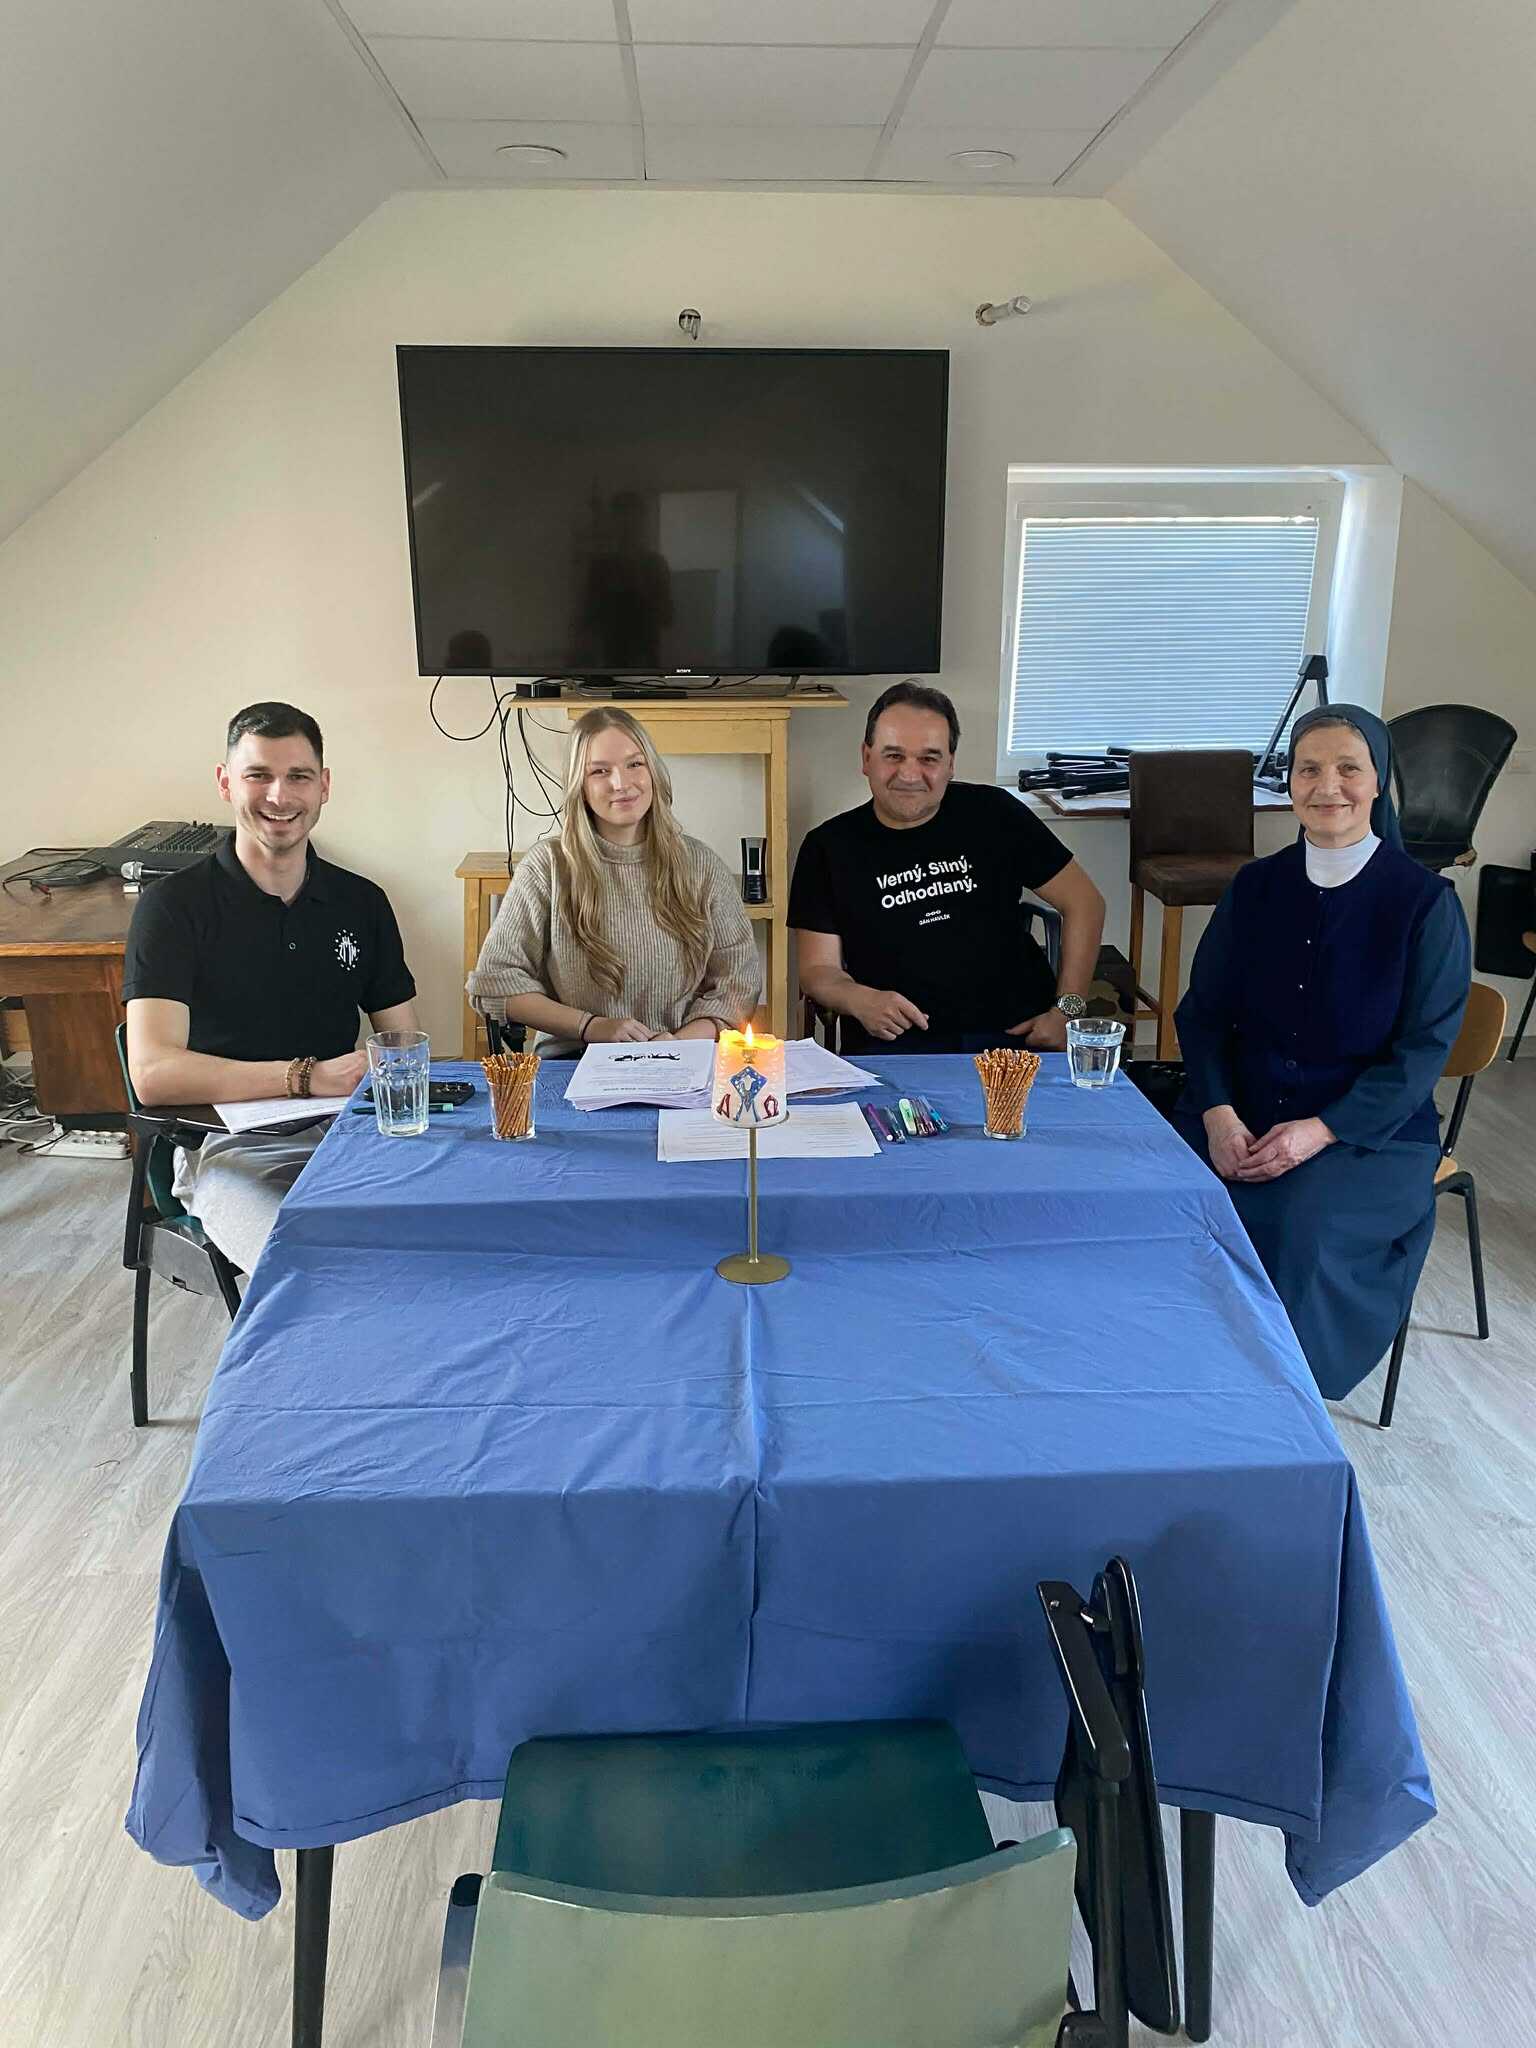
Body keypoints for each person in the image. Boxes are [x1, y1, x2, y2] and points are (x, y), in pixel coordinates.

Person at [1174, 704, 1470, 1401]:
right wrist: (1218, 1115)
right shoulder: (1255, 887)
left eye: (1347, 769)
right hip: (1240, 1111)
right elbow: (1204, 1015)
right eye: (1308, 769)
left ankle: (1278, 1404)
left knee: (1297, 1224)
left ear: (1378, 782)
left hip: (1368, 1133)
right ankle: (1173, 1381)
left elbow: (1422, 1051)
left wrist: (1321, 1130)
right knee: (1163, 1200)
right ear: (1290, 783)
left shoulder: (1425, 904)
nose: (1326, 786)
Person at [123, 703, 419, 1274]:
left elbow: (403, 1044)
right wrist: (304, 1077)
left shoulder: (363, 901)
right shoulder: (172, 907)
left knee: (449, 1244)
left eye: (298, 776)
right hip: (228, 1150)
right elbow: (153, 1075)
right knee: (313, 1271)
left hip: (352, 1134)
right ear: (225, 782)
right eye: (258, 775)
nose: (279, 796)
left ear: (324, 786)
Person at [789, 681, 1105, 1054]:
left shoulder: (996, 813)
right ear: (866, 758)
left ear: (950, 764)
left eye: (929, 758)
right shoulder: (827, 847)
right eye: (894, 755)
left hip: (1016, 1036)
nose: (909, 775)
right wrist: (859, 999)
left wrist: (1067, 1011)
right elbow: (818, 971)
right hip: (897, 1044)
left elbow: (1085, 902)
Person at [469, 707, 760, 1054]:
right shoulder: (547, 866)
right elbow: (493, 983)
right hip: (574, 1058)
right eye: (600, 771)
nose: (621, 783)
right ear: (580, 786)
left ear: (653, 772)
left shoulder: (702, 865)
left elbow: (738, 986)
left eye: (634, 764)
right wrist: (590, 1026)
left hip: (681, 1057)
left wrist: (677, 1043)